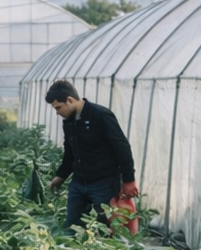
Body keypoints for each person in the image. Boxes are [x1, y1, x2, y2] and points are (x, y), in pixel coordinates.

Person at [44, 79, 139, 230]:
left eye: (58, 107)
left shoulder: (100, 115)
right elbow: (70, 152)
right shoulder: (68, 122)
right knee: (72, 225)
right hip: (79, 183)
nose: (57, 113)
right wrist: (60, 176)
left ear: (70, 100)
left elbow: (122, 147)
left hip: (104, 182)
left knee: (108, 226)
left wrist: (129, 180)